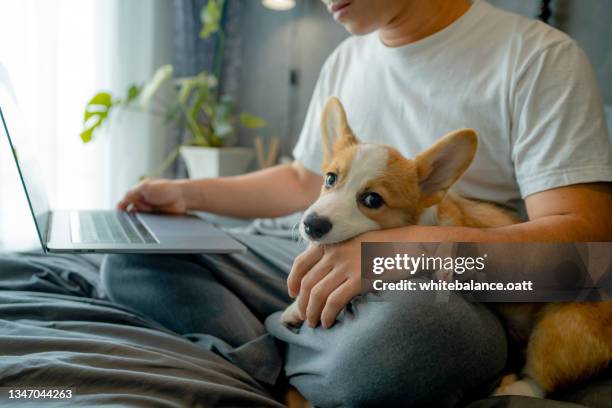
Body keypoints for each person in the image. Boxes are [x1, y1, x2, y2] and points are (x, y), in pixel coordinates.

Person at [101, 0, 612, 406]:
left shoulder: (537, 57)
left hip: (450, 291)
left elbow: (587, 255)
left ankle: (281, 341)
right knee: (136, 257)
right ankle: (286, 355)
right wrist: (185, 193)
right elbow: (305, 179)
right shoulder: (348, 55)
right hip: (317, 254)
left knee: (411, 346)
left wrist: (411, 253)